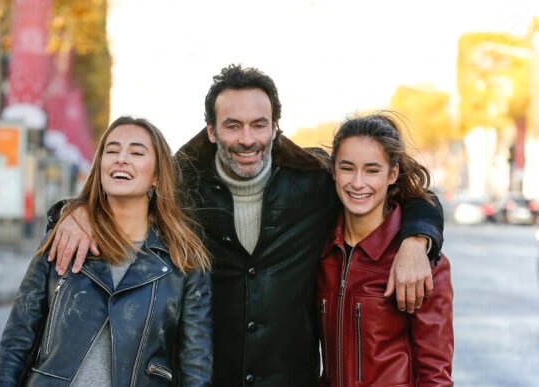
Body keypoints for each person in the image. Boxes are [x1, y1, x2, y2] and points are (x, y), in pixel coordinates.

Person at [46, 65, 445, 387]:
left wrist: (417, 239)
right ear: (212, 131)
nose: (247, 138)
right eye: (233, 125)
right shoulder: (181, 187)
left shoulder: (316, 181)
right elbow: (122, 196)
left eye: (259, 124)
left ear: (275, 128)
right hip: (205, 377)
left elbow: (402, 193)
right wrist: (77, 210)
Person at [0, 116, 213, 386]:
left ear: (156, 176)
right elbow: (17, 342)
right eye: (112, 150)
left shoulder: (184, 261)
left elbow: (195, 366)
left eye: (136, 152)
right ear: (100, 167)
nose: (121, 158)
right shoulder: (63, 238)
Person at [316, 112, 453, 386]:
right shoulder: (320, 250)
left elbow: (435, 376)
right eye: (347, 168)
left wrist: (416, 241)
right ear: (333, 171)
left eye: (372, 170)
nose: (357, 182)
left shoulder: (422, 264)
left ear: (393, 173)